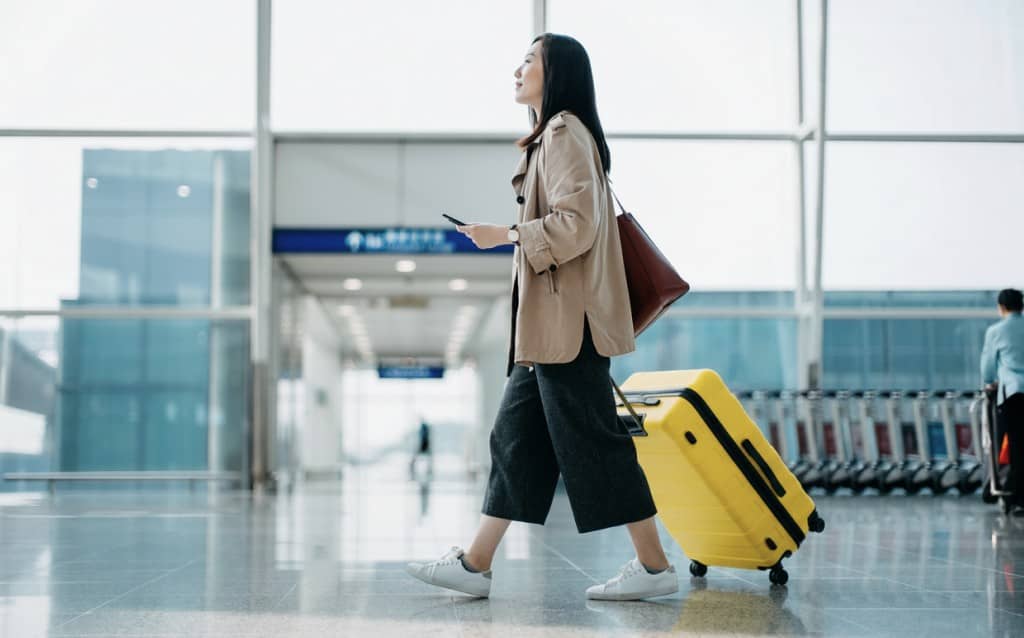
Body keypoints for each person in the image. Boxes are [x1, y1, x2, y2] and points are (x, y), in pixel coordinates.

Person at [405, 33, 676, 601]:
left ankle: (655, 569)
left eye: (530, 60)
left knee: (595, 443)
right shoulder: (551, 137)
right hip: (547, 332)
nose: (518, 68)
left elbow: (577, 226)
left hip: (566, 328)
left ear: (557, 73)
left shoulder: (563, 132)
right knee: (515, 440)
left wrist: (502, 236)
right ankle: (475, 563)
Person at [981, 288, 1024, 516]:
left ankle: (1014, 495)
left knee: (1015, 444)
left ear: (1001, 307)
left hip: (1013, 393)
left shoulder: (996, 331)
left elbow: (988, 365)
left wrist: (988, 382)